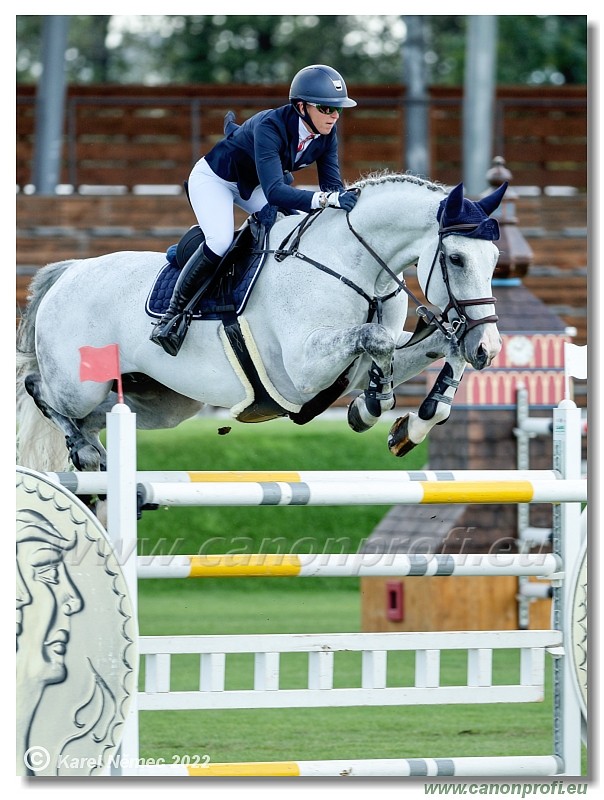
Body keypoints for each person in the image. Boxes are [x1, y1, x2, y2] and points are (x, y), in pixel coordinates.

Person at [150, 63, 360, 356]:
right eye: (326, 109)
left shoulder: (327, 134)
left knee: (299, 226)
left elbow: (332, 187)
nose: (334, 116)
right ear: (301, 107)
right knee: (220, 241)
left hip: (255, 184)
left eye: (338, 110)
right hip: (216, 179)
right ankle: (172, 316)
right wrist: (324, 201)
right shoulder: (271, 126)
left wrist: (350, 206)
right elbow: (277, 192)